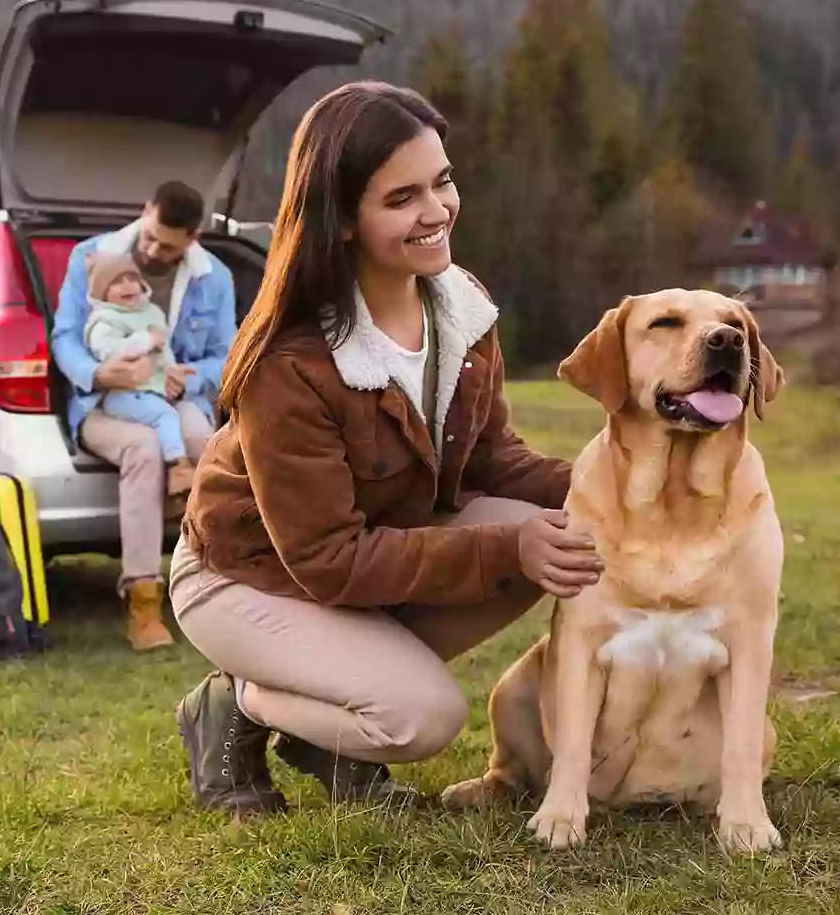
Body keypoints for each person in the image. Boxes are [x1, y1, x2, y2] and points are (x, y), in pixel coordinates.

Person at [170, 81, 606, 816]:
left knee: (565, 536)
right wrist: (507, 549)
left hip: (361, 559)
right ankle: (238, 700)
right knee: (419, 716)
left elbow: (493, 459)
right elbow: (326, 559)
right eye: (401, 198)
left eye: (442, 182)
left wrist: (622, 489)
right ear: (341, 219)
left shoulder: (459, 303)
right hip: (247, 577)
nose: (436, 211)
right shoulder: (291, 363)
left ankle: (336, 704)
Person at [51, 180, 237, 653]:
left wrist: (190, 377)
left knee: (208, 444)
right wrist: (98, 373)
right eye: (150, 236)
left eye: (168, 245)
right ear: (145, 212)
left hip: (177, 401)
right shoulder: (92, 256)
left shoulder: (213, 278)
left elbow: (226, 353)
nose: (153, 249)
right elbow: (65, 336)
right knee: (144, 448)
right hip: (106, 404)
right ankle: (144, 601)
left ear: (193, 238)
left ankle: (225, 584)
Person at [81, 251, 197, 502]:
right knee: (165, 416)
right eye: (116, 282)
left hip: (150, 391)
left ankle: (180, 490)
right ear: (102, 293)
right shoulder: (103, 321)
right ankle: (178, 468)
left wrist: (172, 370)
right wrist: (146, 340)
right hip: (123, 395)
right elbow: (110, 352)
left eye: (131, 278)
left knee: (175, 419)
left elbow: (163, 352)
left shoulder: (151, 312)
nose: (127, 286)